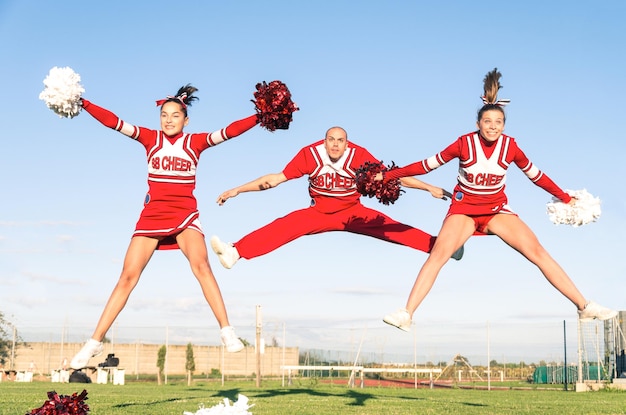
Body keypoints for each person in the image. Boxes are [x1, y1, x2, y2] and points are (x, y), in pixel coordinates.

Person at [379, 68, 617, 331]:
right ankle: (407, 313)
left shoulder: (510, 147)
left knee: (537, 253)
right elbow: (426, 165)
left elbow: (536, 176)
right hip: (464, 211)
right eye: (487, 122)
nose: (492, 127)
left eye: (498, 122)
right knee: (438, 256)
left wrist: (565, 198)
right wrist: (389, 175)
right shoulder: (463, 144)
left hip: (496, 211)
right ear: (478, 123)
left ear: (503, 125)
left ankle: (584, 307)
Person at [70, 85, 260, 369]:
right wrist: (83, 102)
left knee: (202, 266)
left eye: (175, 115)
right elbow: (114, 122)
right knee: (127, 278)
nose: (168, 120)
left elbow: (229, 131)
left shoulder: (195, 143)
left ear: (186, 120)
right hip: (152, 215)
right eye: (164, 115)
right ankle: (92, 344)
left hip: (185, 215)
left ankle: (227, 331)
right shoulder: (150, 139)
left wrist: (260, 117)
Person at [210, 126, 463, 270]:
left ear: (346, 143)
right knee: (284, 226)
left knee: (392, 228)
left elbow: (390, 176)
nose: (335, 145)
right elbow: (274, 179)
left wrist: (428, 187)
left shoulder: (358, 155)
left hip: (352, 212)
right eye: (331, 140)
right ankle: (236, 252)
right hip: (318, 212)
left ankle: (444, 247)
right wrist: (238, 190)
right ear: (324, 141)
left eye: (340, 141)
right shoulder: (310, 154)